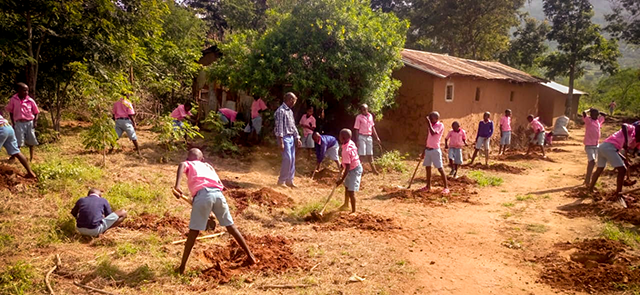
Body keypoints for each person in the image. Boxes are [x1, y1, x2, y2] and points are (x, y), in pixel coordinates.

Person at [173, 148, 256, 274]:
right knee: (231, 227)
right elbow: (219, 183)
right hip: (218, 194)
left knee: (193, 233)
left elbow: (182, 165)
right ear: (202, 159)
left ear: (188, 158)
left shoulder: (188, 163)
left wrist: (177, 186)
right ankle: (251, 256)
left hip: (202, 195)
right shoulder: (208, 166)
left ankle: (182, 267)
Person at [588, 124, 639, 206]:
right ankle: (619, 194)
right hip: (609, 147)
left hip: (604, 147)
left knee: (599, 169)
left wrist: (624, 159)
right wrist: (625, 141)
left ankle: (590, 189)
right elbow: (624, 125)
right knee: (622, 170)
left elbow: (616, 149)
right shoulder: (632, 128)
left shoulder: (634, 137)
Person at [5, 83, 39, 161]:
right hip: (19, 123)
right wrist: (13, 122)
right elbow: (11, 111)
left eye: (27, 90)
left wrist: (35, 122)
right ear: (18, 90)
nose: (26, 92)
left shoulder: (30, 100)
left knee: (31, 140)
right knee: (17, 140)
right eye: (24, 90)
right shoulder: (13, 99)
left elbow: (36, 112)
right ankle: (14, 157)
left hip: (29, 122)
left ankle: (31, 157)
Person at [274, 92, 302, 188]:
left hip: (290, 137)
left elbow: (293, 126)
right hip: (284, 138)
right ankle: (281, 181)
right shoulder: (280, 111)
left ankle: (290, 181)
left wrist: (297, 137)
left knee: (292, 159)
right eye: (293, 100)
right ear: (290, 100)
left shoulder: (290, 111)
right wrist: (281, 141)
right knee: (287, 158)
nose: (294, 103)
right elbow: (279, 127)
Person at [419, 112, 449, 194]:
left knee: (440, 168)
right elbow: (429, 139)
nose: (430, 119)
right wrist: (424, 151)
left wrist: (428, 122)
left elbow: (433, 133)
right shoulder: (431, 126)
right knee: (427, 168)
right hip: (428, 150)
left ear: (436, 118)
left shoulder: (440, 125)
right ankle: (428, 186)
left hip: (435, 150)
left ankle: (446, 187)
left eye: (431, 118)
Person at [336, 129, 363, 213]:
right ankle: (346, 204)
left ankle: (353, 211)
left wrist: (341, 180)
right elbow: (347, 160)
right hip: (351, 167)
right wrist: (342, 164)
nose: (339, 137)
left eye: (340, 136)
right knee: (347, 187)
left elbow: (347, 167)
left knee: (351, 191)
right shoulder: (350, 142)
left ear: (343, 138)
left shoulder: (346, 150)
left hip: (354, 170)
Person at [353, 104, 380, 174]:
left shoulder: (370, 116)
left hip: (369, 137)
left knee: (370, 154)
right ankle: (359, 170)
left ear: (368, 109)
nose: (364, 111)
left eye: (365, 109)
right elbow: (356, 129)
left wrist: (376, 137)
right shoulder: (358, 117)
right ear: (361, 110)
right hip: (361, 136)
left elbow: (372, 127)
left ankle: (374, 170)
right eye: (362, 110)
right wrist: (357, 140)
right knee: (362, 155)